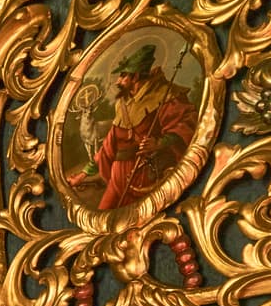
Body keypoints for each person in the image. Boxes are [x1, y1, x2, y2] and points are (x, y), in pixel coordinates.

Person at [75, 43, 196, 211]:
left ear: (136, 76)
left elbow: (186, 124)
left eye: (123, 75)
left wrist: (159, 143)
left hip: (144, 174)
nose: (118, 81)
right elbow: (108, 148)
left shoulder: (164, 94)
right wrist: (81, 176)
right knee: (104, 216)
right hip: (117, 177)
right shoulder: (122, 104)